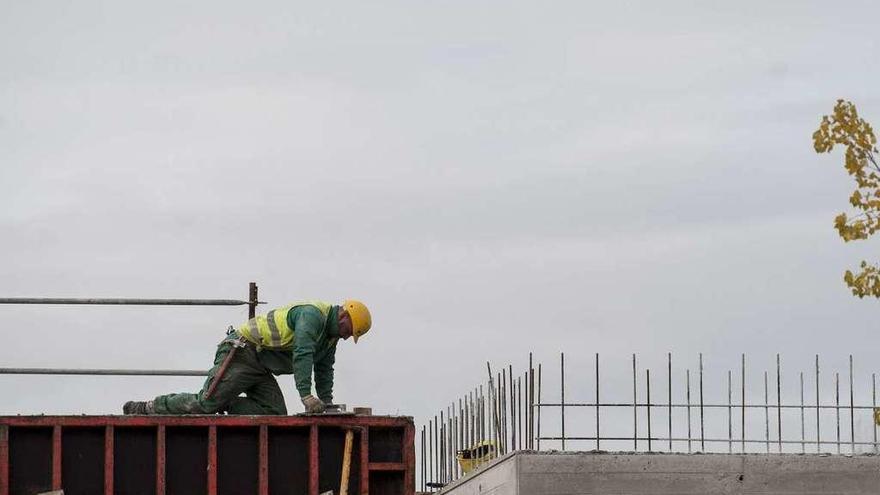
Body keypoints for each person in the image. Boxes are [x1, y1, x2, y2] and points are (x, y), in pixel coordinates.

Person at [122, 299, 371, 415]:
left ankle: (227, 402)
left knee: (274, 414)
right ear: (343, 317)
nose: (348, 337)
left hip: (261, 365)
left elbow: (325, 370)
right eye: (350, 332)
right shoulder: (312, 316)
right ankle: (148, 407)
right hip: (242, 352)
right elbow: (303, 354)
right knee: (206, 404)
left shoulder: (330, 338)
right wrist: (306, 395)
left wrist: (326, 406)